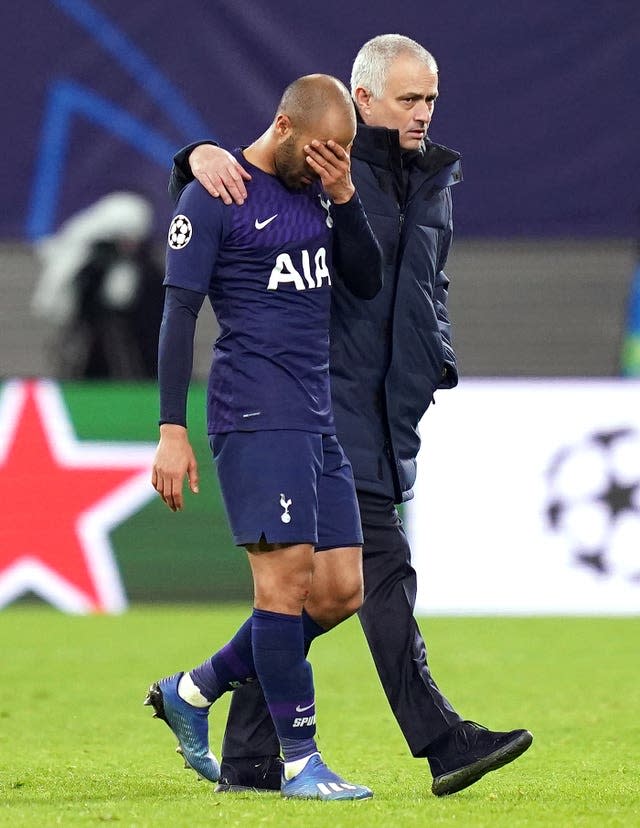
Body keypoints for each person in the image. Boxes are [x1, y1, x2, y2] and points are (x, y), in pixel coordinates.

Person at [169, 34, 533, 797]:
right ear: (363, 99)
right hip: (305, 406)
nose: (423, 112)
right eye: (408, 97)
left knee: (331, 592)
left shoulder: (422, 179)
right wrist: (196, 150)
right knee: (367, 576)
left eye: (431, 97)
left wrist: (433, 358)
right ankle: (433, 743)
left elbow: (400, 285)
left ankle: (217, 713)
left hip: (379, 408)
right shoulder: (325, 162)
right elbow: (246, 172)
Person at [145, 73, 383, 801]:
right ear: (284, 126)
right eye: (322, 150)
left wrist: (345, 197)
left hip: (315, 417)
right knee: (282, 588)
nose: (329, 163)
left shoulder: (320, 191)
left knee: (339, 591)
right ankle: (299, 764)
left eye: (341, 154)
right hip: (254, 413)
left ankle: (194, 689)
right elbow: (179, 313)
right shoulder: (212, 193)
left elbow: (366, 282)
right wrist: (170, 430)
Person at [31, 192, 163, 379]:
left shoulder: (146, 271)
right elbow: (61, 304)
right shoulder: (91, 268)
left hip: (141, 350)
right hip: (94, 348)